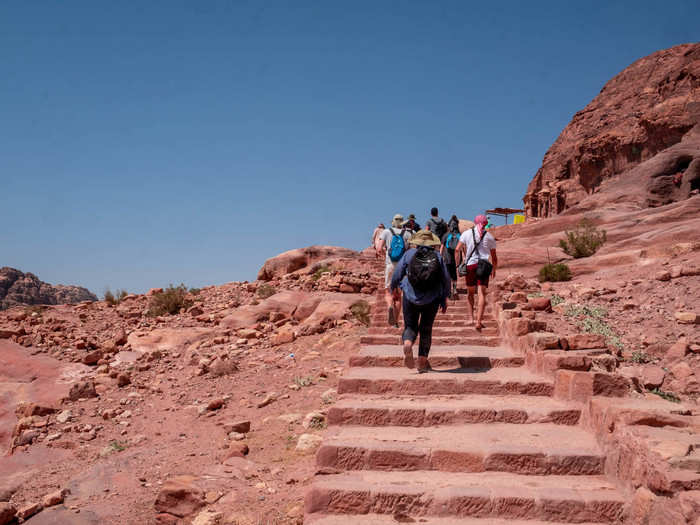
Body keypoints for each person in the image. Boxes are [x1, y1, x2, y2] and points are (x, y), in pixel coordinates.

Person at [390, 230, 451, 373]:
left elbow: (397, 273)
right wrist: (444, 298)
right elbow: (446, 279)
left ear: (416, 242)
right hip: (432, 298)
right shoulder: (438, 256)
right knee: (426, 328)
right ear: (432, 243)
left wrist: (394, 289)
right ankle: (422, 363)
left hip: (410, 296)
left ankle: (408, 342)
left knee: (410, 326)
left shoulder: (409, 254)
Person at [456, 214, 497, 330]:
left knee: (470, 293)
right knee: (482, 294)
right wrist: (494, 269)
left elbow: (457, 249)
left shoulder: (466, 234)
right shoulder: (489, 236)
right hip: (484, 266)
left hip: (470, 265)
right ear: (485, 223)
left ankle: (471, 319)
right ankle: (479, 321)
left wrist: (458, 264)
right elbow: (494, 257)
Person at [378, 214, 413, 327]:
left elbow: (379, 248)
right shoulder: (407, 234)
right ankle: (396, 322)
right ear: (402, 223)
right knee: (398, 295)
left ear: (393, 222)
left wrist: (386, 256)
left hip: (390, 265)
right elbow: (412, 251)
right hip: (402, 268)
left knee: (388, 291)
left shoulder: (386, 232)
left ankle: (389, 306)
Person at [440, 215, 460, 299]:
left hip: (447, 258)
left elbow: (441, 248)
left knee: (447, 275)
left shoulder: (446, 235)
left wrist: (440, 257)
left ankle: (448, 291)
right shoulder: (459, 235)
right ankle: (454, 289)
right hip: (455, 259)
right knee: (454, 274)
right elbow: (463, 248)